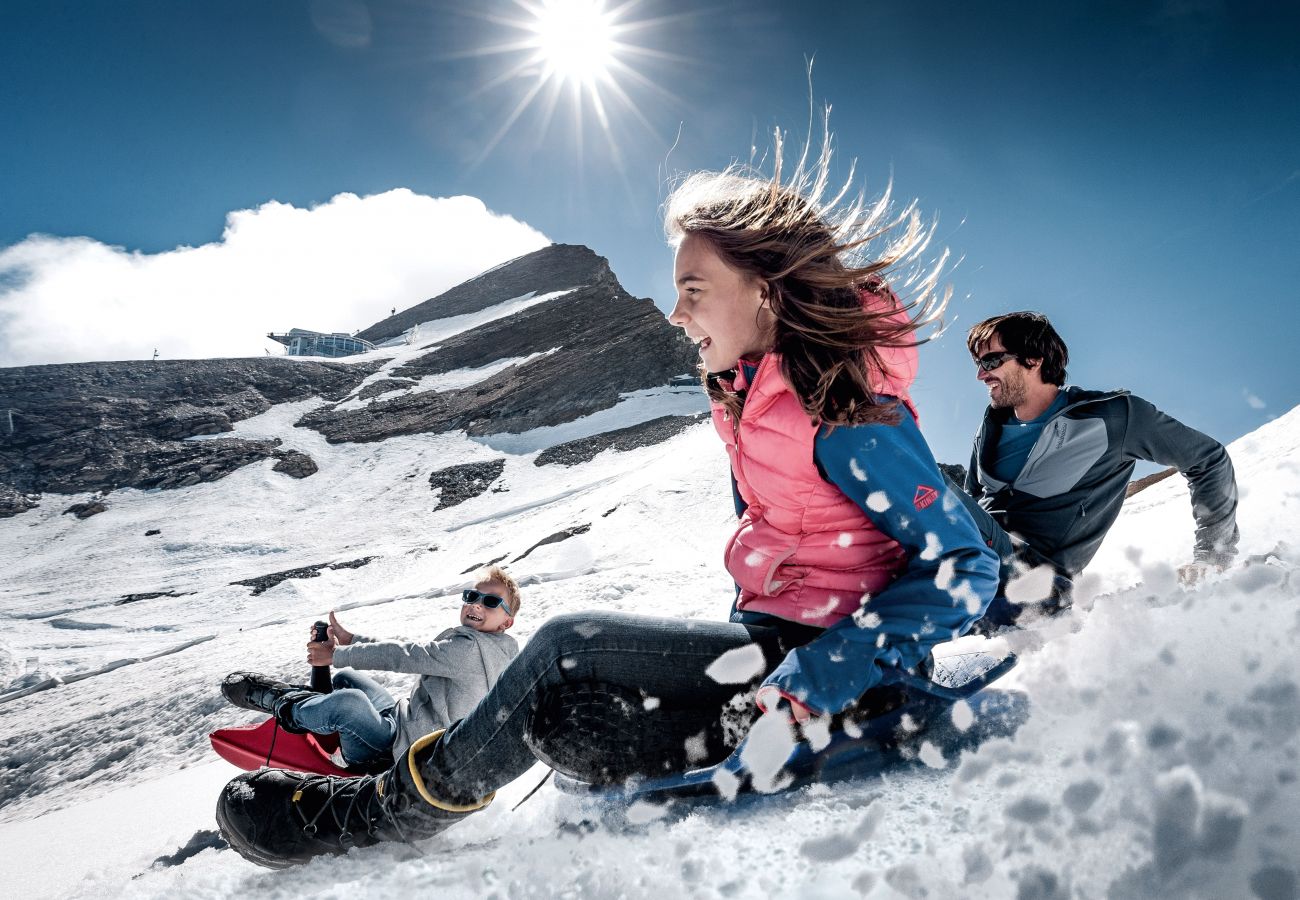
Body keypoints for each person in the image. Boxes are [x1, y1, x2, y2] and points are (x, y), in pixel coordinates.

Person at [215, 133, 1000, 868]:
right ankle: (755, 749)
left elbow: (966, 566)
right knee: (565, 718)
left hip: (834, 672)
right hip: (767, 664)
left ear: (765, 293)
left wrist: (827, 675)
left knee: (566, 644)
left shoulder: (848, 414)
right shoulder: (748, 404)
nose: (675, 313)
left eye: (694, 290)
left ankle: (380, 815)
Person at [961, 311, 1239, 625]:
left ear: (1033, 359)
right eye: (978, 364)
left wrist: (1213, 557)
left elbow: (1208, 459)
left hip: (1037, 580)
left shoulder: (1113, 416)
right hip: (973, 559)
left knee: (919, 480)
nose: (981, 376)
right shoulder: (990, 427)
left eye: (991, 362)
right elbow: (971, 501)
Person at [220, 567, 521, 768]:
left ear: (506, 622)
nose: (476, 605)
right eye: (471, 596)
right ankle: (321, 710)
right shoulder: (494, 649)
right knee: (348, 679)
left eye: (491, 601)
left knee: (349, 703)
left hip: (392, 753)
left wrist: (336, 655)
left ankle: (283, 705)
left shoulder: (468, 650)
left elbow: (403, 656)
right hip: (402, 723)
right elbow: (411, 650)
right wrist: (350, 642)